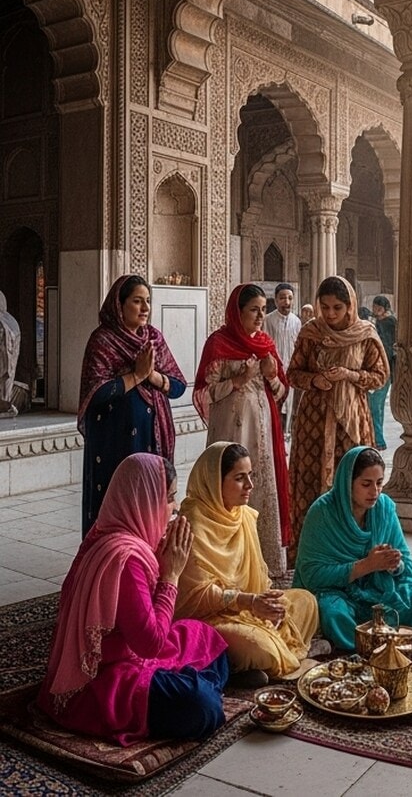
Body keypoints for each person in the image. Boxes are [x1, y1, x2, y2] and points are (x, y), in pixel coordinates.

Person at [39, 454, 229, 744]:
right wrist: (172, 575)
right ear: (144, 501)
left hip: (132, 652)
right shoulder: (125, 558)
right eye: (168, 498)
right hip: (105, 677)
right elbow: (150, 644)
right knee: (202, 707)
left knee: (208, 637)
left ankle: (187, 685)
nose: (175, 508)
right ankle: (193, 689)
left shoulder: (110, 532)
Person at [177, 442, 319, 681]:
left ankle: (251, 663)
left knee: (307, 602)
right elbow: (196, 596)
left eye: (250, 476)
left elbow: (259, 576)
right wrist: (249, 602)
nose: (250, 486)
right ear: (214, 482)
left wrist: (268, 604)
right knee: (260, 646)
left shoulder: (243, 516)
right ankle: (237, 665)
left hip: (249, 606)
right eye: (240, 478)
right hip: (209, 619)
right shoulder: (193, 526)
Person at [293, 447, 412, 652]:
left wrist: (393, 564)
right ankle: (371, 643)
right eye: (366, 484)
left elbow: (406, 564)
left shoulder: (384, 507)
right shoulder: (322, 513)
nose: (375, 492)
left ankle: (377, 637)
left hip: (378, 586)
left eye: (379, 483)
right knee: (332, 612)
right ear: (347, 483)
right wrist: (365, 566)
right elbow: (312, 575)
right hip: (338, 591)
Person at [194, 284, 293, 575]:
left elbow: (280, 392)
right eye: (254, 310)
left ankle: (263, 560)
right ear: (237, 313)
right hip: (230, 426)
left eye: (264, 309)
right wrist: (239, 379)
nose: (261, 316)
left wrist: (272, 376)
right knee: (230, 483)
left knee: (259, 484)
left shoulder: (266, 344)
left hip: (262, 427)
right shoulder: (218, 343)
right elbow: (205, 392)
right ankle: (228, 561)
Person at [78, 274, 188, 535]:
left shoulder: (154, 339)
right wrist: (135, 376)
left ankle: (149, 560)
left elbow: (179, 386)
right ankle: (111, 562)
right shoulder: (102, 341)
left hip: (153, 439)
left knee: (149, 506)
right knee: (118, 505)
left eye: (148, 301)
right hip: (114, 443)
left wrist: (152, 376)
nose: (145, 308)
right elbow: (95, 395)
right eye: (137, 301)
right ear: (120, 304)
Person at [287, 276, 387, 554]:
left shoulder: (364, 334)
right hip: (314, 423)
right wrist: (314, 380)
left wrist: (349, 375)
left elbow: (379, 376)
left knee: (353, 483)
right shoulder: (311, 333)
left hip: (352, 422)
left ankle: (353, 552)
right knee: (311, 483)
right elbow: (293, 373)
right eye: (325, 307)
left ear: (350, 306)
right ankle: (312, 551)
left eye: (337, 308)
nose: (330, 314)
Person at [262, 283, 301, 429]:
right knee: (274, 405)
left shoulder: (296, 321)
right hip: (274, 371)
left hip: (290, 370)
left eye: (290, 298)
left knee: (289, 405)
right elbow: (264, 345)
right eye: (283, 298)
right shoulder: (268, 320)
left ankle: (285, 437)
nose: (287, 302)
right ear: (276, 300)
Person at [367, 295, 398, 449]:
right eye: (374, 307)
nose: (376, 310)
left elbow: (388, 346)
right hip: (375, 368)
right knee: (374, 407)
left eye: (378, 307)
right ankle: (375, 438)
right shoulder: (375, 322)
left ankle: (378, 440)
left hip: (384, 369)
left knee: (375, 406)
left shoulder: (390, 322)